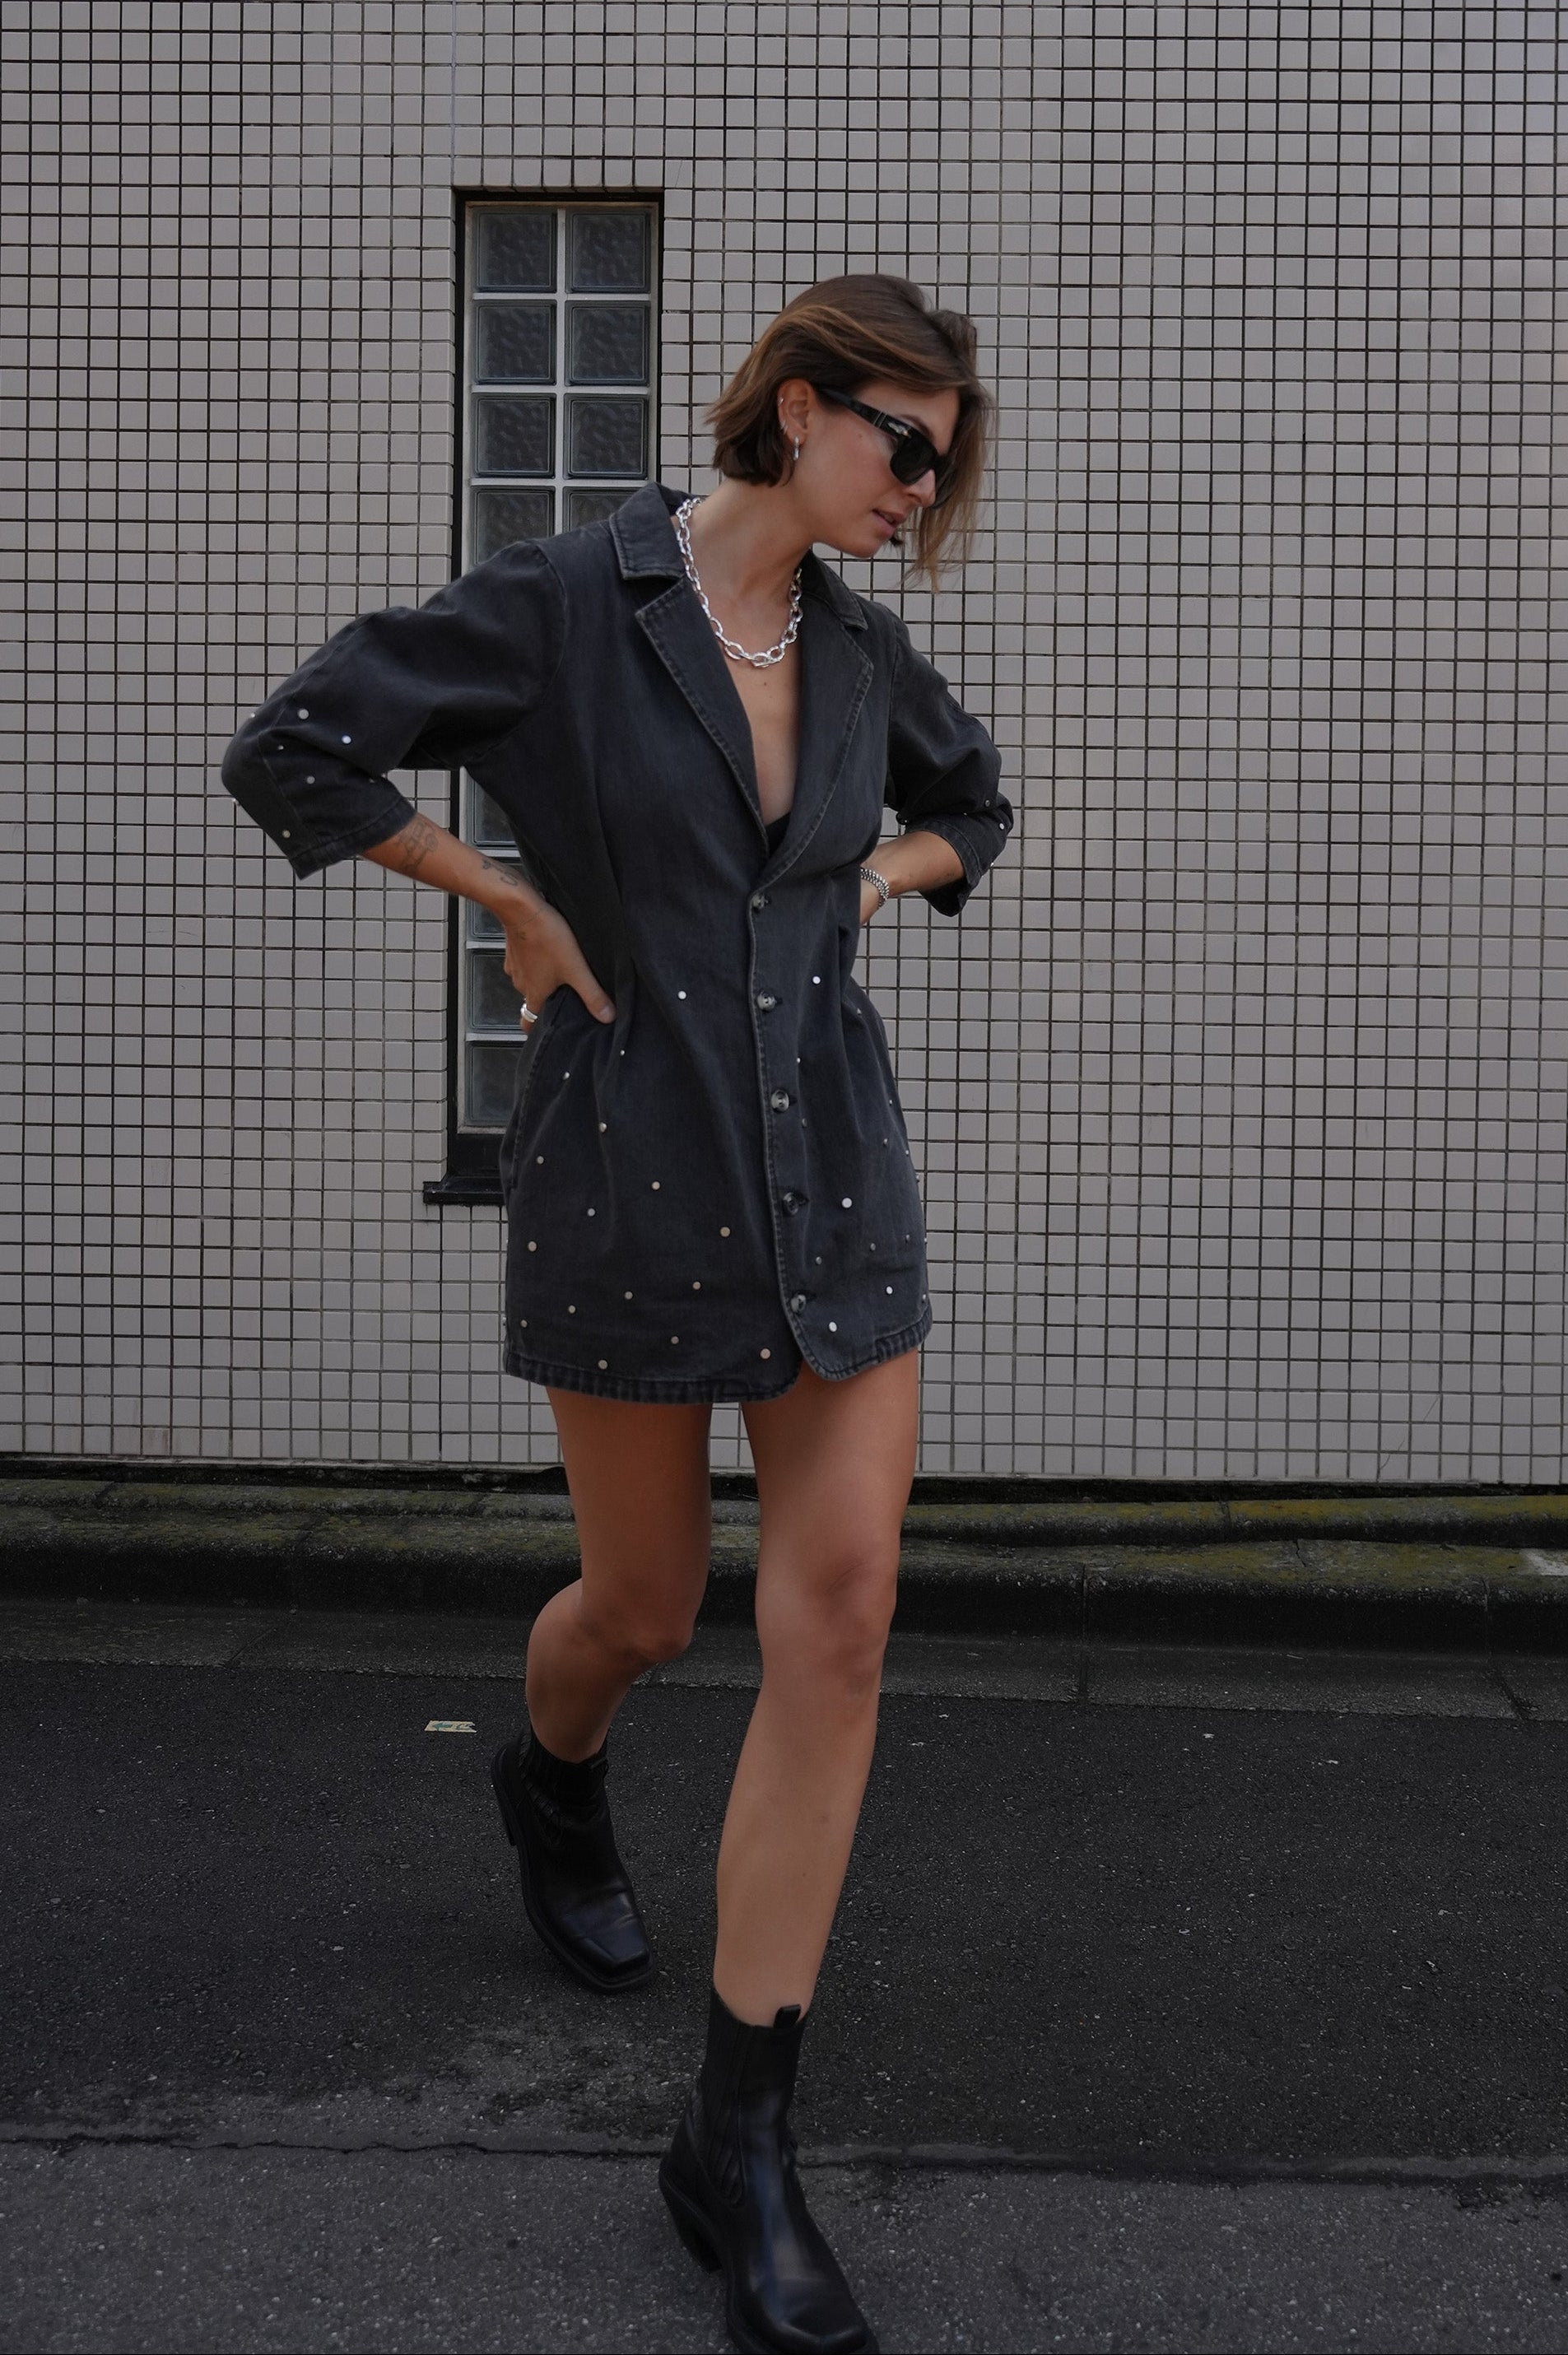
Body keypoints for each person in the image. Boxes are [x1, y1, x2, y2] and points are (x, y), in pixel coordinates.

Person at [222, 272, 1012, 2355]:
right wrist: (496, 892)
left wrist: (869, 879)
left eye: (941, 462)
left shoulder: (853, 653)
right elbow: (296, 741)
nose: (917, 493)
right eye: (901, 446)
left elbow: (976, 804)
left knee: (835, 1620)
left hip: (831, 1169)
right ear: (797, 406)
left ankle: (735, 2144)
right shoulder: (570, 600)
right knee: (645, 1608)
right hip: (632, 1167)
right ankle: (553, 1778)